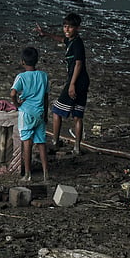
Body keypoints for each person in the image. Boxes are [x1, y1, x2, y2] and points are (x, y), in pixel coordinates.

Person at [36, 13, 89, 154]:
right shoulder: (72, 40)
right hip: (83, 81)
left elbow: (78, 64)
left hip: (76, 81)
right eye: (65, 26)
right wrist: (45, 34)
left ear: (77, 28)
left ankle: (55, 141)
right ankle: (77, 147)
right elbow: (61, 39)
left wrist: (71, 84)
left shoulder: (77, 44)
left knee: (56, 110)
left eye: (70, 27)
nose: (66, 30)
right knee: (77, 115)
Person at [9, 46, 50, 182]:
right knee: (41, 142)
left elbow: (13, 93)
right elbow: (46, 97)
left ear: (22, 62)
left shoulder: (21, 77)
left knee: (27, 143)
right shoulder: (43, 76)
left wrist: (16, 104)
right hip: (40, 113)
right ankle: (46, 173)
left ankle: (28, 174)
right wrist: (45, 114)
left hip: (26, 113)